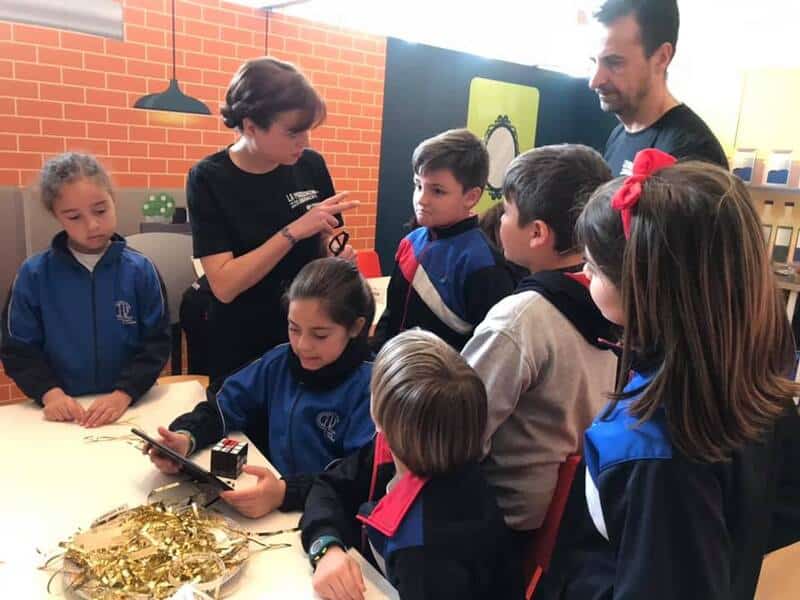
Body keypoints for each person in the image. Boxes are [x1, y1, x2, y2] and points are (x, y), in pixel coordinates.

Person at [536, 149, 800, 600]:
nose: (583, 273)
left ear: (647, 289)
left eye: (595, 268)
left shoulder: (652, 448)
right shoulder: (761, 394)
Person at [461, 146, 617, 544]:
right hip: (573, 518)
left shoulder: (519, 321)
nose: (498, 220)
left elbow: (455, 431)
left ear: (537, 233)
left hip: (503, 525)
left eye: (507, 210)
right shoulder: (619, 304)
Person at [300, 330, 523, 600]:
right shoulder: (412, 449)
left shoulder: (425, 551)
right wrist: (326, 547)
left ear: (377, 413)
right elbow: (329, 486)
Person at [147, 258, 375, 518]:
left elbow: (357, 480)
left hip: (328, 518)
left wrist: (284, 492)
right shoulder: (279, 362)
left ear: (356, 327)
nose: (302, 345)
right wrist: (187, 437)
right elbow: (224, 405)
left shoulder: (371, 389)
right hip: (270, 502)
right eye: (293, 329)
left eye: (320, 335)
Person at [187, 57, 359, 382]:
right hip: (243, 339)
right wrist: (293, 231)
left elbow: (326, 240)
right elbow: (224, 285)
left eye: (308, 130)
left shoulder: (311, 165)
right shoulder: (209, 178)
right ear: (251, 126)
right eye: (293, 132)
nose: (305, 141)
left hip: (305, 333)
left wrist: (335, 255)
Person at [1, 152, 170, 427]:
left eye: (100, 210)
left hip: (129, 410)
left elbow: (157, 344)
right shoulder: (33, 275)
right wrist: (50, 394)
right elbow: (17, 350)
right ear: (56, 216)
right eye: (73, 217)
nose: (92, 225)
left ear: (113, 199)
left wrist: (124, 393)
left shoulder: (141, 270)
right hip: (61, 415)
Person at [371, 129, 516, 352]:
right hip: (392, 373)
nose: (422, 199)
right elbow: (390, 317)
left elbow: (487, 350)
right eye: (418, 185)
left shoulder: (483, 263)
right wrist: (375, 360)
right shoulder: (410, 242)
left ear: (471, 197)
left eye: (437, 191)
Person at [589, 0, 728, 176]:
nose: (594, 81)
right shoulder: (619, 135)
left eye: (614, 63)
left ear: (662, 58)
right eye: (594, 62)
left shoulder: (695, 155)